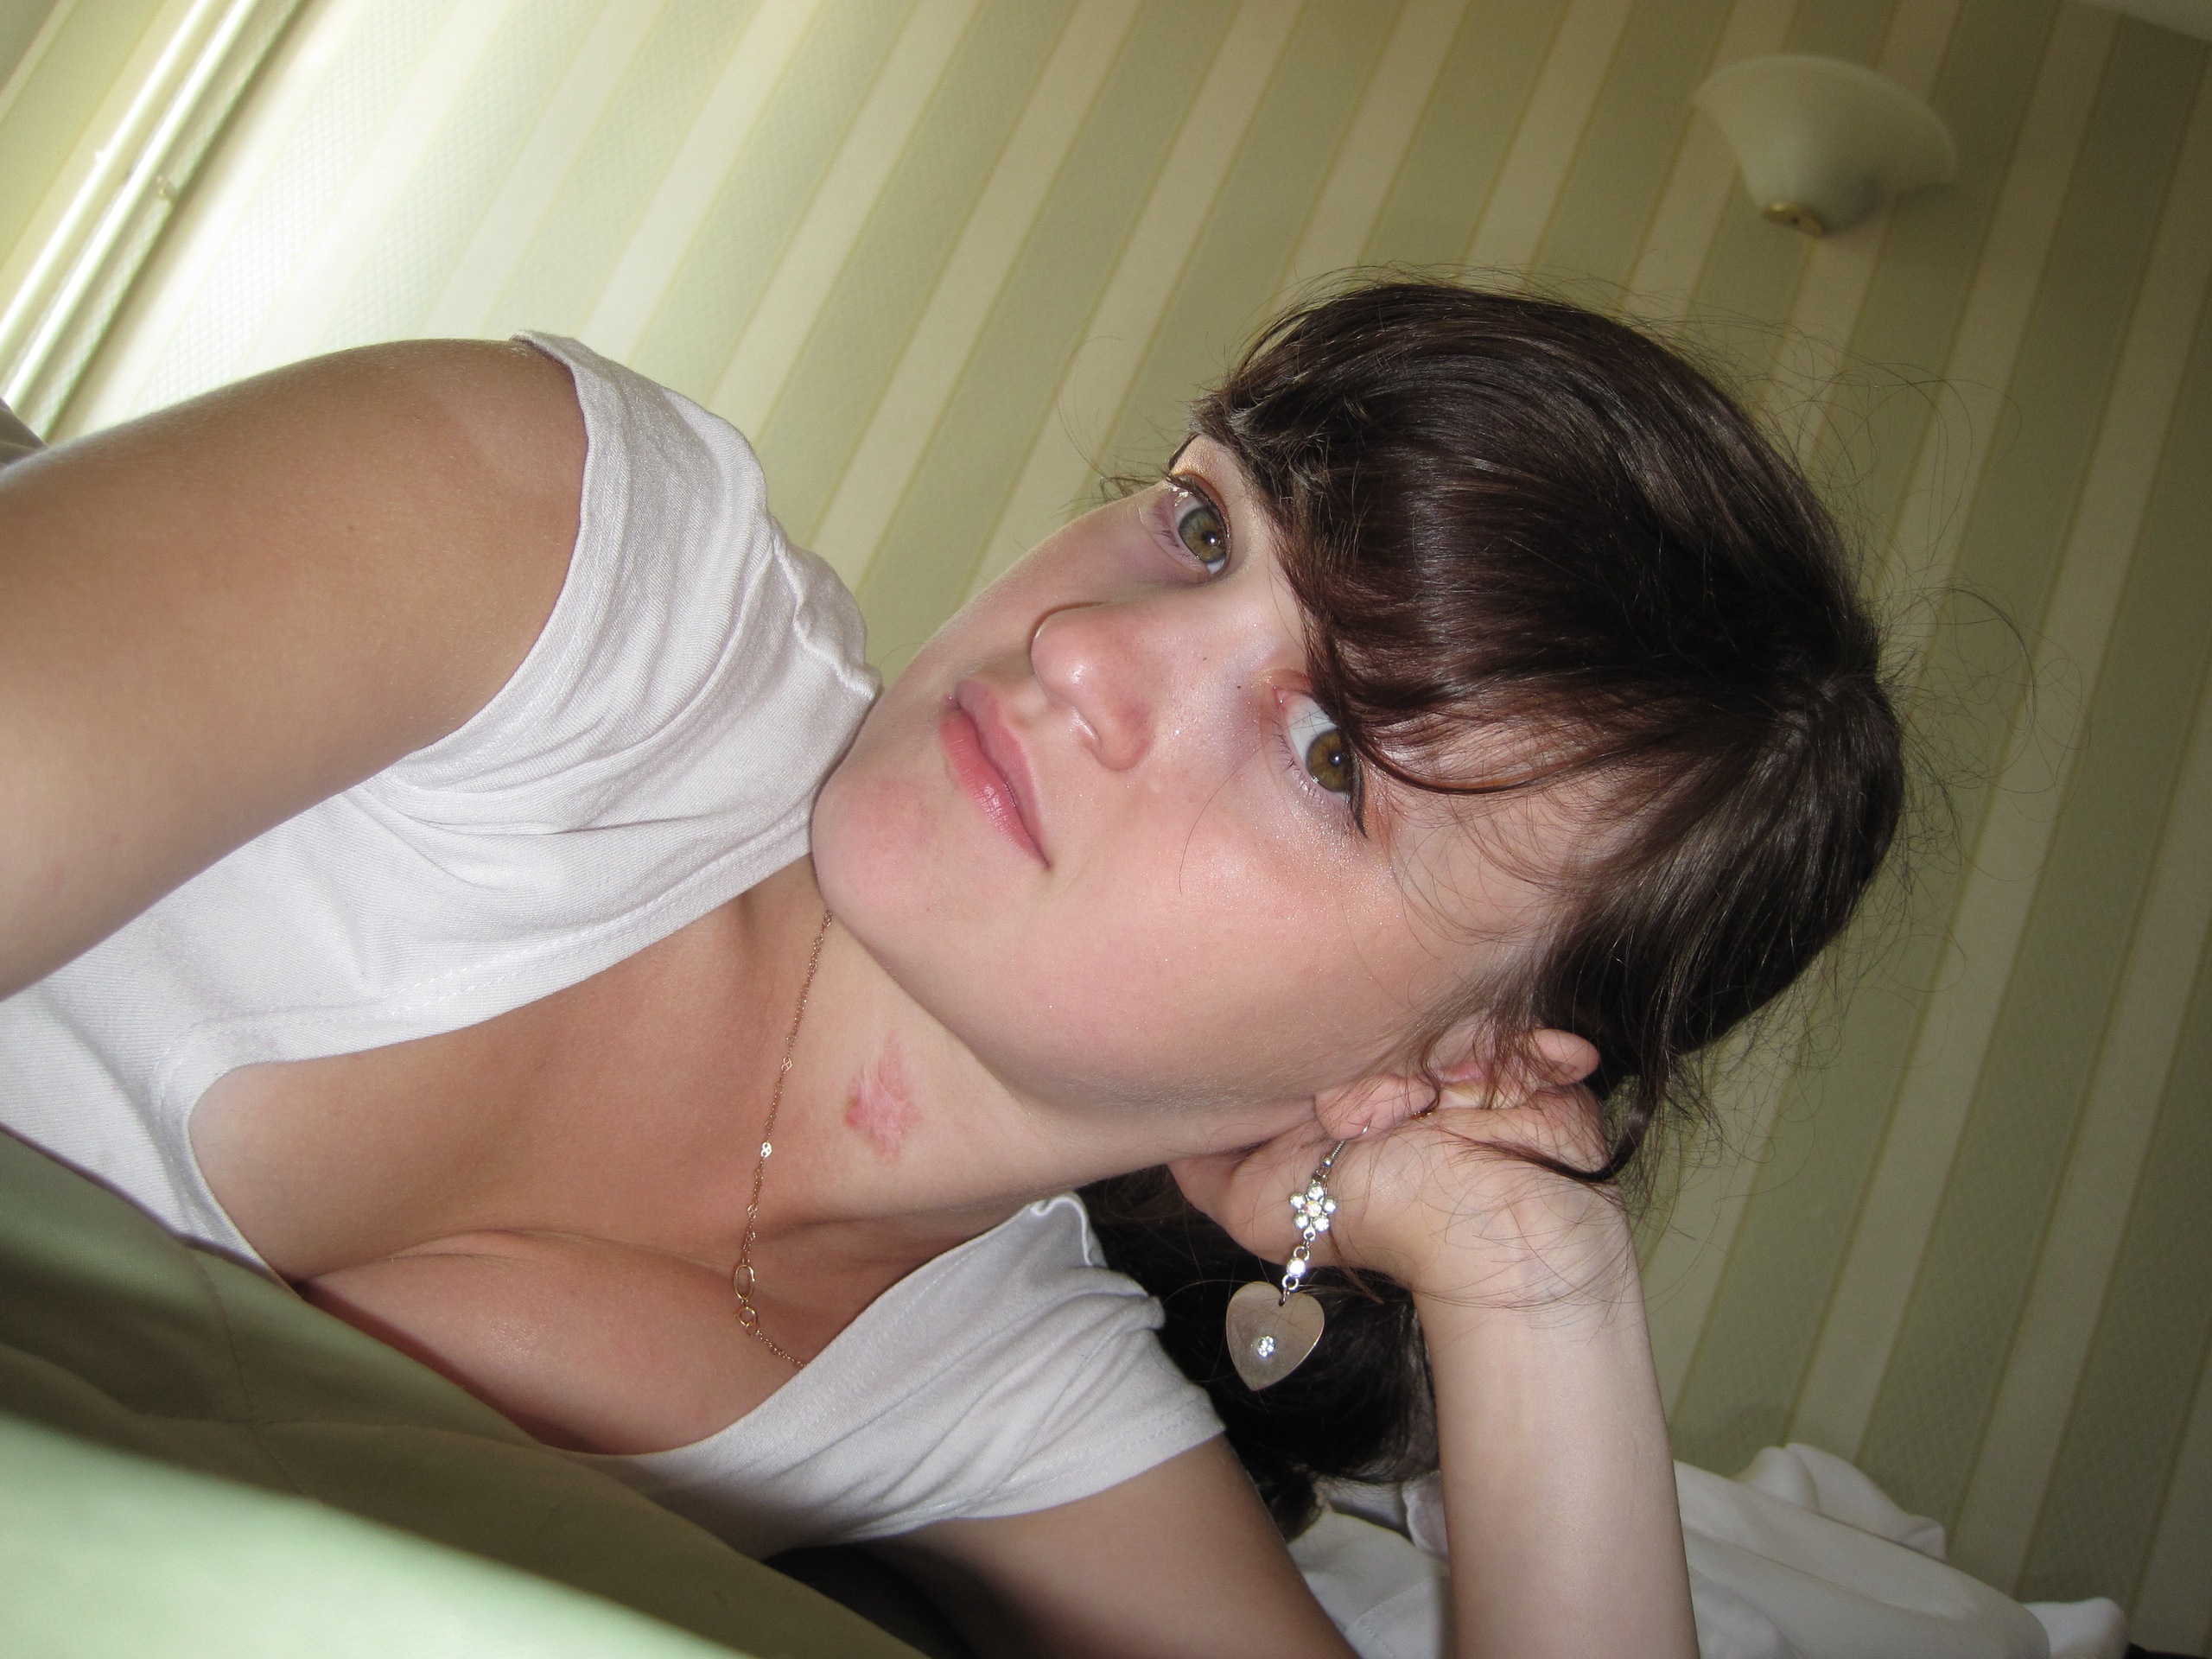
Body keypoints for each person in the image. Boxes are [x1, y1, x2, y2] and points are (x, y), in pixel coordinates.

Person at [0, 281, 1901, 1658]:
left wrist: (1533, 1283)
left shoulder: (1004, 1398)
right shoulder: (558, 561)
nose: (1084, 644)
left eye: (1333, 753)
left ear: (1437, 1067)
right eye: (1202, 526)